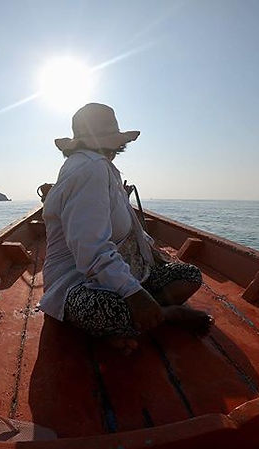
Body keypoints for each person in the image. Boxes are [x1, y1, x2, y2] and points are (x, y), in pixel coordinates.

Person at [39, 103, 213, 353]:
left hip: (119, 272)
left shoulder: (101, 167)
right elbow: (90, 249)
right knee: (109, 311)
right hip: (76, 283)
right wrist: (134, 294)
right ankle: (165, 314)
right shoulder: (90, 170)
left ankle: (131, 324)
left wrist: (147, 265)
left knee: (189, 275)